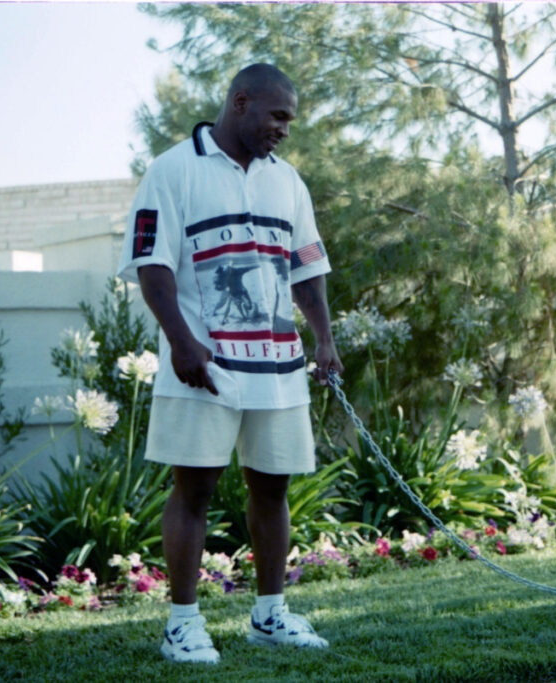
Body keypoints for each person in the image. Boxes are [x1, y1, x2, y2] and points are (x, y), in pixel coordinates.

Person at [117, 63, 343, 664]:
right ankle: (181, 624)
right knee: (194, 490)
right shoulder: (172, 171)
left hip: (277, 368)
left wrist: (322, 340)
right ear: (240, 103)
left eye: (288, 119)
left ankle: (270, 614)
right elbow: (152, 267)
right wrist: (181, 343)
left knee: (273, 489)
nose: (285, 130)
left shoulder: (288, 181)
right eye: (278, 116)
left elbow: (307, 268)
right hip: (204, 367)